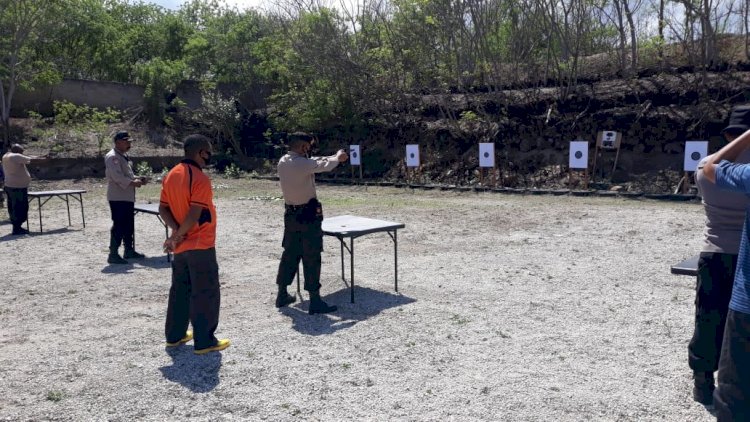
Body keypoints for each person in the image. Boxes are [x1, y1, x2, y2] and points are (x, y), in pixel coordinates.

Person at [689, 105, 750, 407]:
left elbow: (711, 167)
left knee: (708, 320)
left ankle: (702, 382)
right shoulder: (745, 176)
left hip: (715, 254)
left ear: (728, 135)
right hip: (745, 260)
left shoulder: (706, 169)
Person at [159, 134, 229, 355]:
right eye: (208, 151)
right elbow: (194, 214)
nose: (210, 156)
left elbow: (163, 209)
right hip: (200, 243)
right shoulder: (199, 178)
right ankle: (205, 340)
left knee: (180, 290)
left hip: (182, 247)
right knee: (205, 292)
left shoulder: (171, 175)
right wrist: (178, 235)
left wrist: (175, 235)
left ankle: (175, 335)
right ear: (200, 153)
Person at [275, 132, 348, 314]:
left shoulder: (284, 160)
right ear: (302, 147)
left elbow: (316, 160)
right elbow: (324, 165)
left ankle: (282, 293)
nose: (310, 149)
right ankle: (315, 301)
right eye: (309, 146)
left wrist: (333, 156)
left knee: (290, 253)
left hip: (291, 215)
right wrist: (338, 158)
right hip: (307, 215)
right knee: (312, 255)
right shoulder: (301, 163)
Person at [105, 131, 147, 264]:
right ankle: (113, 254)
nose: (129, 144)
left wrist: (138, 178)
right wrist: (133, 183)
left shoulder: (123, 156)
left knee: (129, 224)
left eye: (129, 141)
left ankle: (129, 250)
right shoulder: (112, 157)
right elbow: (117, 176)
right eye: (126, 141)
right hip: (118, 196)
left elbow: (127, 175)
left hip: (127, 196)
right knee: (119, 224)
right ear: (117, 142)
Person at [1, 144, 47, 235]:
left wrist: (41, 156)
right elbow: (32, 160)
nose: (22, 153)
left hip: (11, 185)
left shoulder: (7, 155)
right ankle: (17, 228)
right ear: (18, 151)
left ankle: (17, 227)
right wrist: (45, 160)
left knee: (13, 207)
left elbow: (28, 157)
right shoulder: (16, 156)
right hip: (17, 187)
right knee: (20, 207)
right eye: (22, 151)